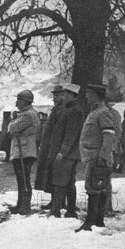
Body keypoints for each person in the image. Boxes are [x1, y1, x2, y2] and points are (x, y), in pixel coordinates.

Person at [76, 84, 116, 232]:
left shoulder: (103, 112)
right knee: (96, 188)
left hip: (98, 157)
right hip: (93, 156)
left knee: (94, 188)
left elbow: (109, 136)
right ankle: (97, 221)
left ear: (95, 95)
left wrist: (102, 157)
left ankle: (91, 222)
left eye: (88, 93)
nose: (86, 96)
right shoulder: (94, 112)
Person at [48, 84, 85, 218]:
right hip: (71, 152)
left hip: (68, 153)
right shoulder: (72, 109)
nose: (62, 97)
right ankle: (70, 211)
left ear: (71, 95)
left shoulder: (73, 111)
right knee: (69, 182)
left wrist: (62, 151)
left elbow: (71, 134)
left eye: (64, 94)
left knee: (59, 181)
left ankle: (56, 210)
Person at [8, 90, 40, 215]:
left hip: (25, 151)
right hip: (22, 150)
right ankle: (20, 205)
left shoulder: (28, 115)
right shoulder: (25, 114)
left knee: (24, 179)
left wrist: (13, 122)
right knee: (21, 178)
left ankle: (25, 207)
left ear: (25, 102)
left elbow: (13, 129)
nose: (16, 103)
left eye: (18, 100)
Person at [35, 85, 64, 210]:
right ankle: (55, 201)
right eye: (54, 95)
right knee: (51, 175)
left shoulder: (62, 111)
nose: (55, 98)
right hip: (49, 147)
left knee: (59, 176)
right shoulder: (56, 110)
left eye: (58, 95)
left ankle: (60, 202)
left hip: (56, 147)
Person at [106, 99, 123, 173]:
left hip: (114, 136)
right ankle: (114, 168)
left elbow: (117, 126)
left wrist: (117, 136)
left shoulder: (114, 114)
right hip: (110, 136)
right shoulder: (107, 113)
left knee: (115, 153)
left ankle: (117, 168)